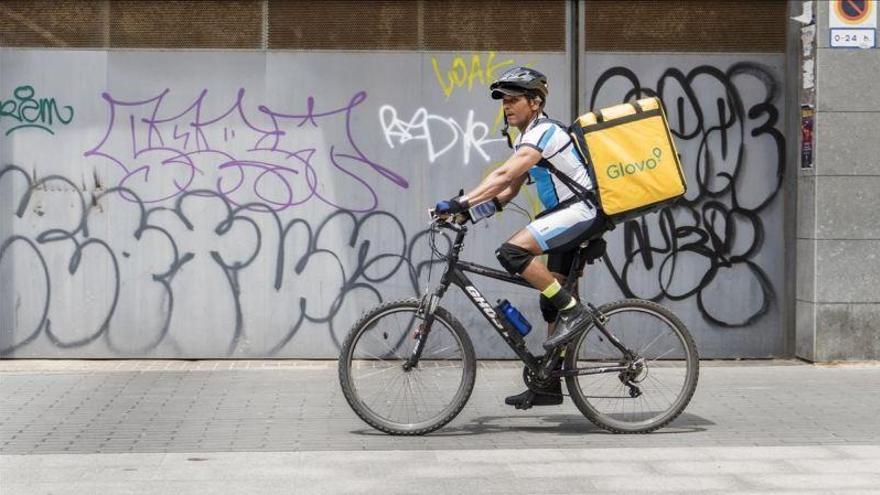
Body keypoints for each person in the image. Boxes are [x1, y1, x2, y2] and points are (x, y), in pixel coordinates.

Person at [434, 66, 606, 408]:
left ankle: (576, 312)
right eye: (504, 101)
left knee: (512, 252)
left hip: (580, 213)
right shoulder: (525, 136)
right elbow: (508, 191)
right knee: (550, 299)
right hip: (564, 217)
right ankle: (549, 384)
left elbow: (503, 174)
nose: (506, 106)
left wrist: (461, 200)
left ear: (536, 103)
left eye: (514, 100)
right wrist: (468, 213)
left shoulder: (544, 133)